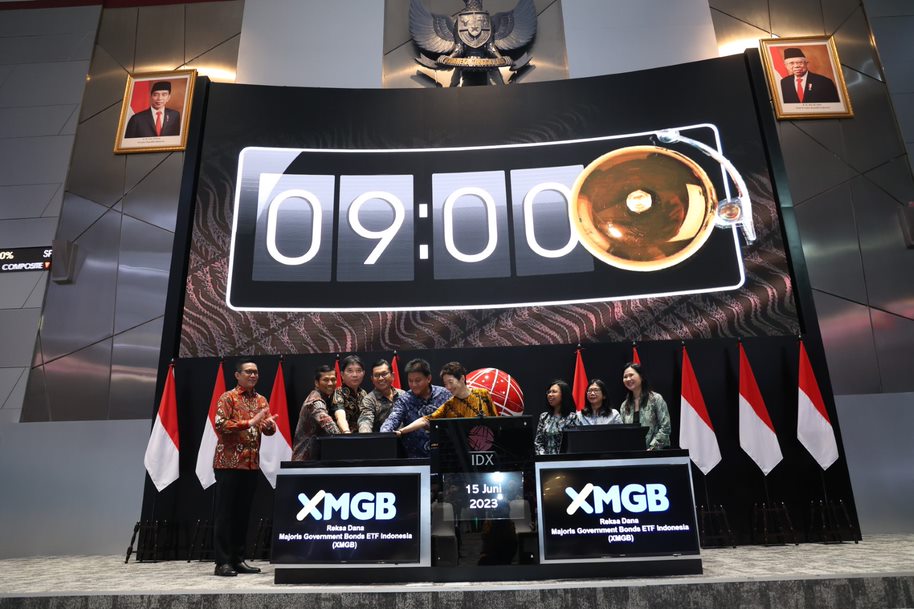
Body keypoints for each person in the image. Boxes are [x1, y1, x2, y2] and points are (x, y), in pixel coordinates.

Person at [212, 359, 277, 577]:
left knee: (243, 515)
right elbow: (220, 424)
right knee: (225, 514)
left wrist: (269, 426)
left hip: (250, 464)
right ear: (237, 375)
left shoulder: (261, 400)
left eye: (256, 372)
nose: (253, 375)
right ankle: (222, 562)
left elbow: (266, 430)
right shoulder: (228, 397)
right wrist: (248, 423)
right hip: (228, 464)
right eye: (248, 372)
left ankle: (238, 559)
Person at [394, 362, 498, 438]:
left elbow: (497, 421)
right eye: (445, 384)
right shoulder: (449, 405)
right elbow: (425, 420)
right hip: (463, 452)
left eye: (451, 382)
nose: (448, 387)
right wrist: (402, 431)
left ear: (462, 378)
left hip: (487, 449)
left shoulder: (483, 394)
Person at [380, 358, 450, 458]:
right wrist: (385, 433)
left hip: (445, 456)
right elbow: (392, 419)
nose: (413, 385)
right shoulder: (405, 400)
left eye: (417, 381)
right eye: (410, 381)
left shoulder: (444, 394)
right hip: (415, 459)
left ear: (428, 378)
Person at [291, 365, 342, 461]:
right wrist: (346, 440)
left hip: (316, 458)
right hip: (305, 461)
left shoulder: (326, 398)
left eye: (333, 379)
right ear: (316, 383)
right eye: (326, 380)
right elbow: (329, 426)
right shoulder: (315, 402)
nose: (330, 383)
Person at [618, 362, 671, 450]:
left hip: (656, 452)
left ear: (641, 377)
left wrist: (652, 449)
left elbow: (665, 427)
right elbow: (624, 433)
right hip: (633, 453)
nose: (628, 379)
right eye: (625, 377)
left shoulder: (655, 399)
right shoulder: (624, 405)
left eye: (631, 375)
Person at [358, 358, 405, 433]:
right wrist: (365, 435)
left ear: (392, 375)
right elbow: (365, 420)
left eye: (384, 374)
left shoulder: (403, 395)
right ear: (372, 379)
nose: (380, 378)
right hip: (383, 438)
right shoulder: (369, 400)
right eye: (376, 375)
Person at [534, 380, 577, 455]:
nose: (550, 395)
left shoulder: (572, 417)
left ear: (564, 395)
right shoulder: (544, 416)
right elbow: (538, 442)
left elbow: (574, 444)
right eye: (549, 392)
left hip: (564, 460)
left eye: (554, 392)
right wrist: (544, 457)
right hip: (545, 460)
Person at [331, 354, 367, 434]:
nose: (355, 375)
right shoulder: (338, 392)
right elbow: (340, 417)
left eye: (358, 371)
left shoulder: (364, 393)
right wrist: (347, 433)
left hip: (362, 435)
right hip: (343, 436)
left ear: (363, 373)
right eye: (350, 371)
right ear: (342, 374)